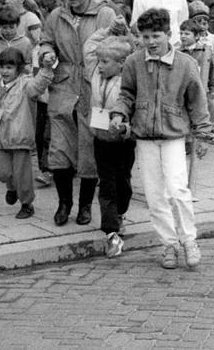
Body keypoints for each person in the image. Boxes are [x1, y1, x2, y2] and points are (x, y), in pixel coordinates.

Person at [110, 8, 214, 269]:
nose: (151, 42)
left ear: (168, 34)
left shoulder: (185, 64)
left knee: (178, 190)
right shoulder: (134, 62)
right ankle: (169, 244)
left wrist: (203, 134)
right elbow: (126, 93)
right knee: (155, 196)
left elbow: (197, 102)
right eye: (145, 37)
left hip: (173, 135)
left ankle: (189, 240)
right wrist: (119, 114)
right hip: (145, 137)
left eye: (156, 36)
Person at [38, 0, 116, 226]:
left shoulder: (106, 14)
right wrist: (47, 53)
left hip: (94, 88)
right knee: (60, 148)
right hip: (63, 86)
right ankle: (64, 204)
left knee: (89, 149)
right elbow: (46, 41)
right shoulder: (56, 15)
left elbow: (120, 45)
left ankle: (85, 206)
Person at [0, 48, 55, 219]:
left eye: (9, 67)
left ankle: (26, 203)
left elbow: (38, 86)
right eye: (2, 67)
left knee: (22, 175)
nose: (4, 71)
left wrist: (46, 69)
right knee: (2, 173)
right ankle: (12, 187)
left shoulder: (25, 84)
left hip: (19, 136)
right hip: (0, 137)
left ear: (19, 68)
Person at [83, 33, 136, 258]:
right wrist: (108, 29)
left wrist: (125, 128)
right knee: (107, 185)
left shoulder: (130, 82)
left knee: (123, 183)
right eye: (99, 61)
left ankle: (120, 213)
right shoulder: (95, 73)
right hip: (101, 139)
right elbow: (89, 47)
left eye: (105, 62)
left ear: (121, 63)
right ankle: (111, 232)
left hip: (123, 142)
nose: (100, 65)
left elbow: (136, 112)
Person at [189, 1, 214, 132]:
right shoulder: (192, 39)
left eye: (205, 23)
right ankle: (197, 125)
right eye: (199, 23)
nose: (202, 26)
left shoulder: (213, 39)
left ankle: (213, 125)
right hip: (195, 75)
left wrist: (213, 68)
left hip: (210, 76)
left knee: (213, 102)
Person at [0, 5, 33, 80]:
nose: (8, 31)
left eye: (11, 27)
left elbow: (28, 64)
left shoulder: (25, 42)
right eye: (4, 27)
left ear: (17, 25)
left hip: (19, 81)